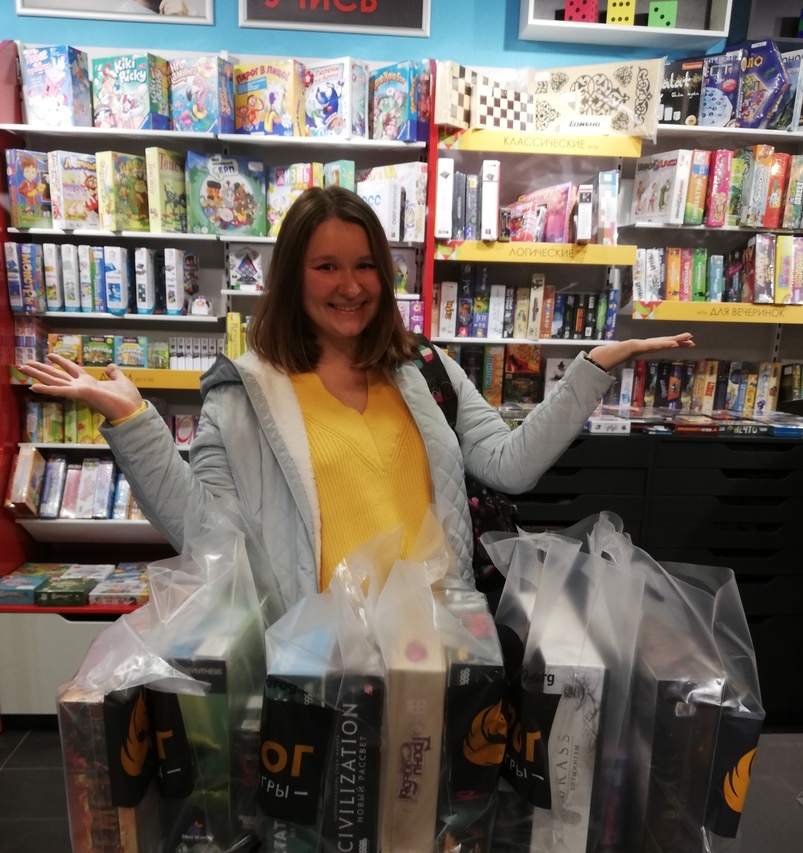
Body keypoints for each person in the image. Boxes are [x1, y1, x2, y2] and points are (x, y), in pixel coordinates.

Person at [19, 186, 693, 624]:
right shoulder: (244, 395)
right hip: (318, 657)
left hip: (437, 645)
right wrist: (133, 420)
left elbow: (509, 465)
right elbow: (207, 537)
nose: (350, 286)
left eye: (365, 265)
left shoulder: (424, 368)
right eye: (326, 267)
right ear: (293, 277)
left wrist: (593, 369)